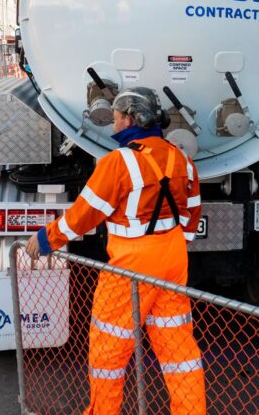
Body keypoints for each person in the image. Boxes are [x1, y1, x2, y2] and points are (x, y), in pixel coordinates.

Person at [26, 88, 205, 415]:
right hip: (174, 255)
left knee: (109, 349)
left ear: (133, 119)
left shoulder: (118, 162)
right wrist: (176, 243)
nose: (114, 124)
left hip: (133, 262)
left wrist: (45, 240)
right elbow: (192, 209)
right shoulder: (182, 158)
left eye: (119, 117)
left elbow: (83, 215)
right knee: (178, 351)